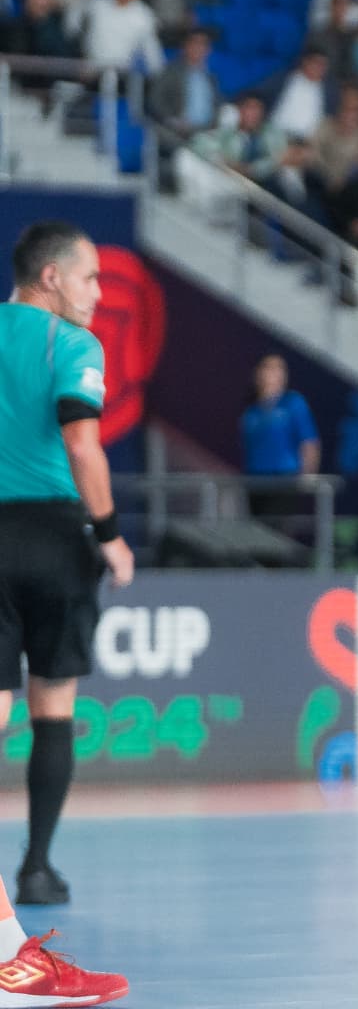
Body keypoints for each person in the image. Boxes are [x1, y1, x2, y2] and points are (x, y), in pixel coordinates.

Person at [0, 222, 137, 919]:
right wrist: (111, 535)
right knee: (52, 708)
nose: (97, 293)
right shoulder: (74, 344)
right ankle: (35, 870)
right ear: (51, 277)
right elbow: (83, 446)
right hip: (54, 538)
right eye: (89, 278)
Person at [239, 354, 319, 525]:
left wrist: (306, 476)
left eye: (279, 369)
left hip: (283, 480)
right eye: (269, 368)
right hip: (256, 481)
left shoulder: (293, 404)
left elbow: (309, 443)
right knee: (257, 531)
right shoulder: (251, 412)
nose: (275, 373)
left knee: (277, 531)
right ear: (258, 373)